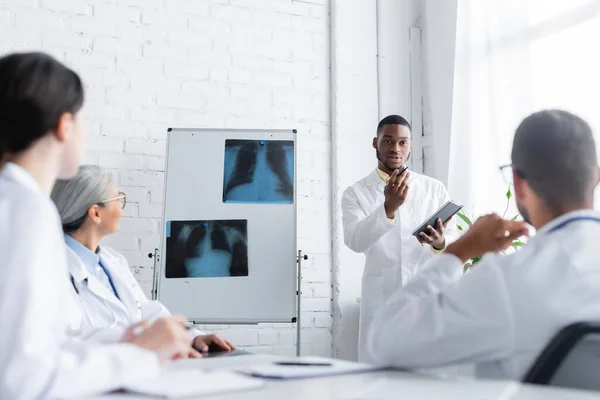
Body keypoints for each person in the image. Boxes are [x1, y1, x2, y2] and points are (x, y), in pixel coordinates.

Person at [0, 52, 196, 399]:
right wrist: (139, 355)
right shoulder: (26, 209)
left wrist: (129, 341)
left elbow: (41, 344)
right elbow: (23, 379)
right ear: (64, 126)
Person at [367, 109, 600, 381]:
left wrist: (458, 250)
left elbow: (386, 342)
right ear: (596, 176)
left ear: (518, 184)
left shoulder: (509, 280)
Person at [50, 165, 236, 353]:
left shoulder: (113, 262)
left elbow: (146, 312)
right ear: (96, 213)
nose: (121, 209)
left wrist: (192, 337)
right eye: (118, 199)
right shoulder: (52, 269)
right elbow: (65, 340)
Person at [341, 114, 460, 361]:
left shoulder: (433, 188)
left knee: (426, 377)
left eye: (403, 142)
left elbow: (453, 238)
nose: (396, 148)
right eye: (388, 141)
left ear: (410, 146)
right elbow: (355, 241)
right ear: (375, 142)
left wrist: (440, 242)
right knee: (380, 378)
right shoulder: (355, 193)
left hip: (426, 299)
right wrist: (388, 208)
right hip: (383, 300)